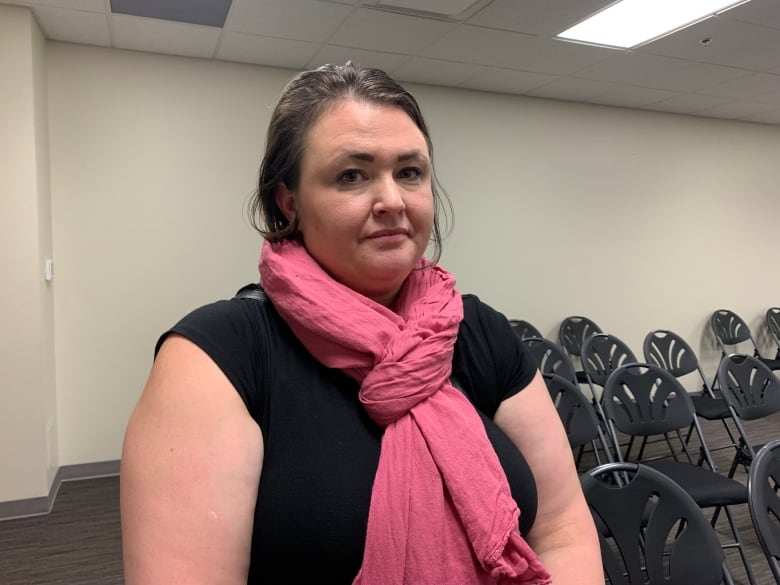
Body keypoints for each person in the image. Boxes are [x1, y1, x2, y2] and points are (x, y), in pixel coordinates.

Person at [120, 62, 603, 585]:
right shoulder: (219, 356)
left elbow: (561, 530)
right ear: (289, 203)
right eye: (352, 175)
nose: (392, 200)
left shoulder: (480, 332)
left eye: (410, 172)